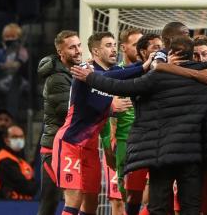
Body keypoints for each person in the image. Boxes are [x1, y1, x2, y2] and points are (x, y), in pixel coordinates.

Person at [71, 35, 207, 215]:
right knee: (190, 207)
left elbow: (119, 87)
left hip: (160, 154)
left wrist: (90, 77)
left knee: (158, 206)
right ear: (192, 55)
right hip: (192, 155)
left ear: (171, 53)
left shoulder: (156, 77)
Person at [51, 31, 146, 215]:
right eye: (108, 45)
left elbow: (124, 73)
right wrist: (110, 107)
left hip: (90, 148)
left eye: (114, 45)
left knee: (91, 204)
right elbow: (88, 104)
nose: (113, 50)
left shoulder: (109, 74)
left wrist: (147, 64)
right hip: (70, 143)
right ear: (95, 51)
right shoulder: (86, 69)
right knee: (74, 200)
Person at [36, 30, 81, 215]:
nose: (78, 50)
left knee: (74, 199)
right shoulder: (56, 79)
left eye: (79, 45)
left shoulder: (73, 72)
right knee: (51, 202)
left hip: (69, 146)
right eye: (72, 47)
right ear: (60, 52)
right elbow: (69, 111)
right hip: (54, 149)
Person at [117, 28, 146, 215]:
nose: (139, 49)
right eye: (135, 44)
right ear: (123, 47)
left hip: (149, 139)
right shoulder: (115, 73)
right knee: (127, 197)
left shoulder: (149, 71)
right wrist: (108, 140)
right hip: (124, 141)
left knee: (155, 194)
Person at [0, 23, 29, 122]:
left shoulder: (22, 51)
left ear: (18, 38)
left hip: (17, 80)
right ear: (3, 38)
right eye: (7, 37)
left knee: (13, 84)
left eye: (13, 36)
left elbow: (19, 64)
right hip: (1, 79)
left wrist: (7, 65)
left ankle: (11, 118)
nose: (10, 39)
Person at [0, 125, 37, 200]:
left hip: (23, 204)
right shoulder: (5, 161)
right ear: (6, 140)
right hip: (4, 205)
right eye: (14, 137)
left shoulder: (20, 160)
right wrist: (35, 186)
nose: (19, 140)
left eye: (21, 137)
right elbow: (24, 186)